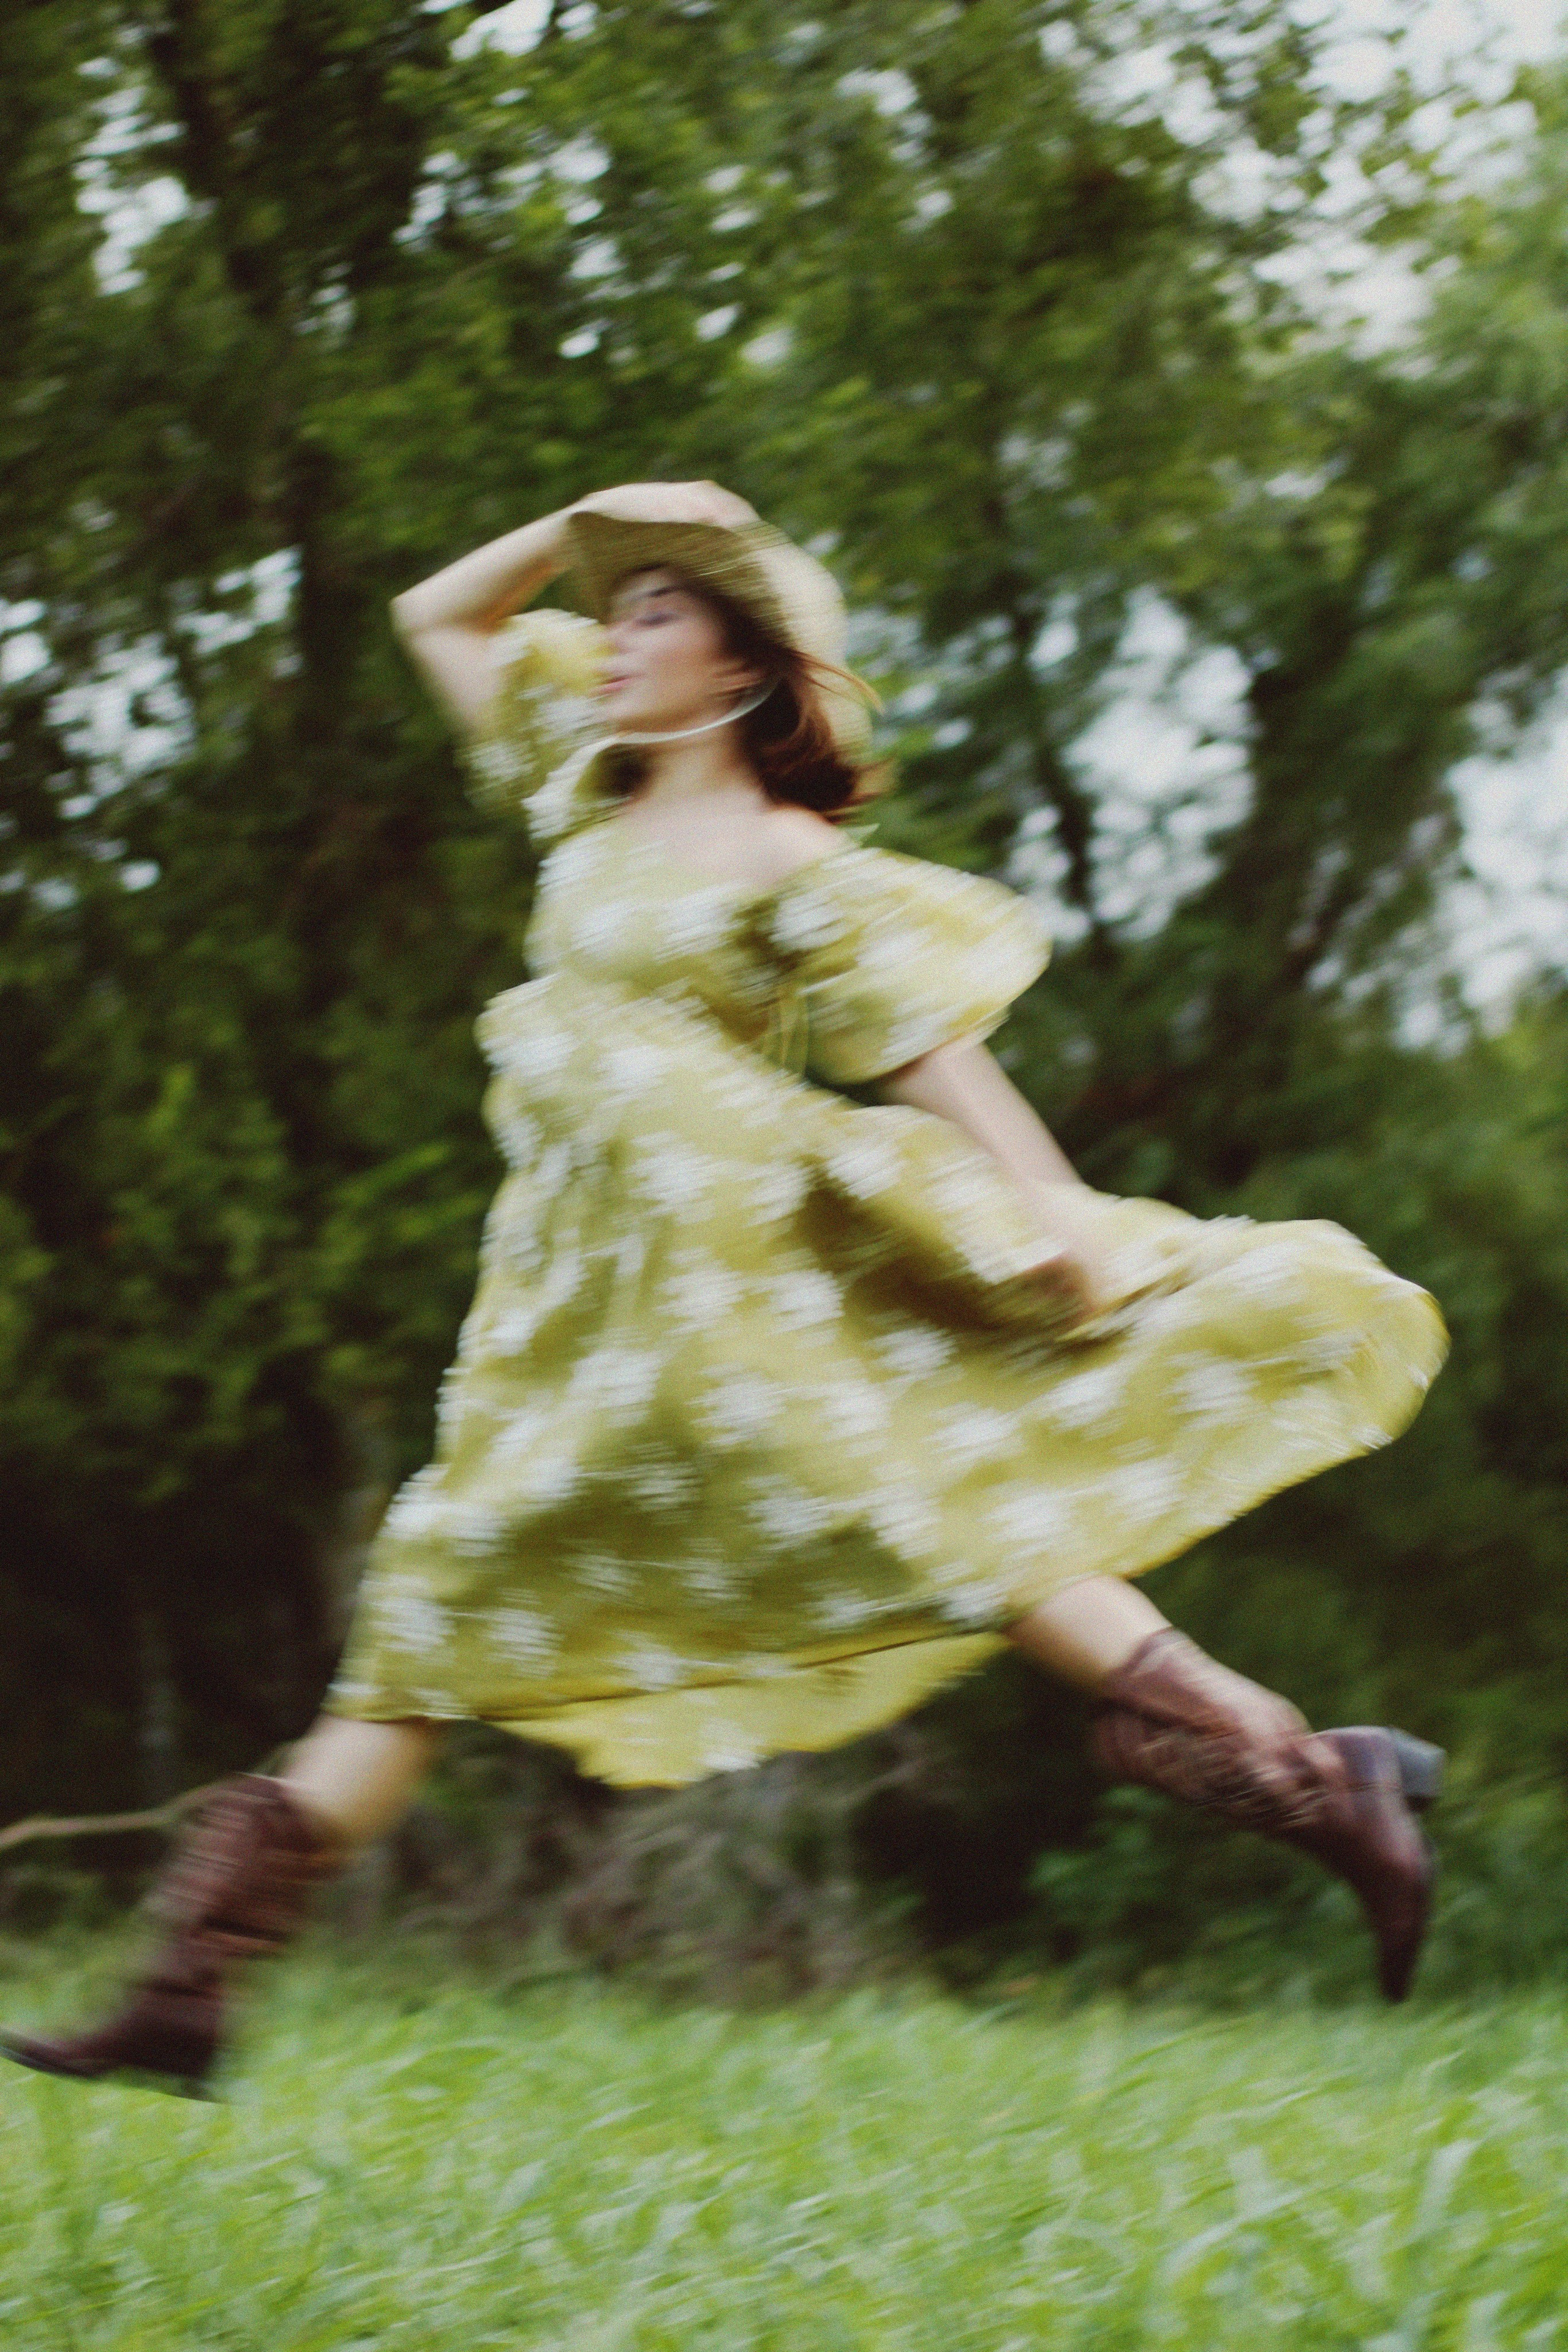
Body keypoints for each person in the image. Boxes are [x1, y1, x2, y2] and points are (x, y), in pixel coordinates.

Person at [4, 482, 1449, 2098]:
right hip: (575, 1316)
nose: (613, 639)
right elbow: (434, 616)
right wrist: (577, 524)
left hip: (731, 1285)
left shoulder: (793, 864)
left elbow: (936, 1065)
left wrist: (1062, 1223)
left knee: (925, 1521)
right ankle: (186, 1995)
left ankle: (1316, 1783)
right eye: (613, 616)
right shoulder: (578, 800)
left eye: (656, 615)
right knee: (436, 1598)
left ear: (747, 672)